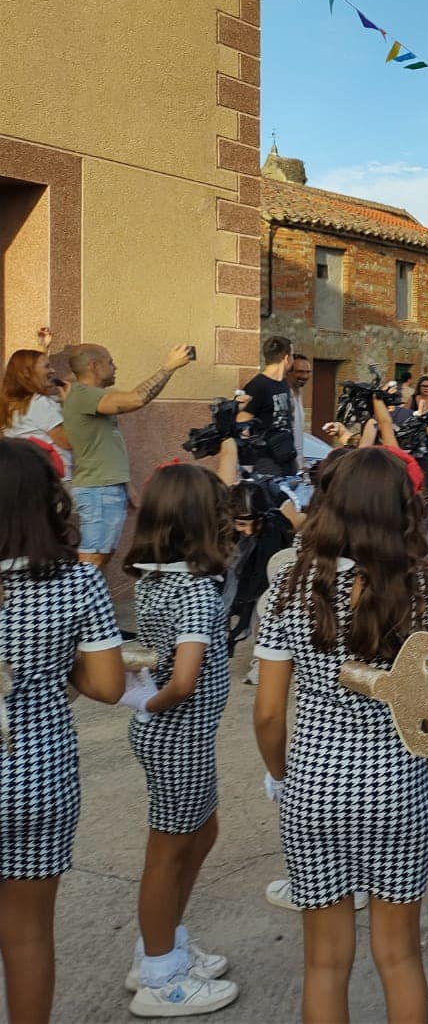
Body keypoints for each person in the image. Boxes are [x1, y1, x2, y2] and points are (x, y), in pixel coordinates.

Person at [253, 447, 428, 1024]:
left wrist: (279, 776)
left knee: (323, 962)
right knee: (399, 956)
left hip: (312, 789)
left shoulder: (294, 584)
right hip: (397, 786)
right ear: (401, 509)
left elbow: (268, 712)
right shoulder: (422, 588)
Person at [0, 438, 126, 1024]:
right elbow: (107, 685)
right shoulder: (77, 583)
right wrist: (50, 670)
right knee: (27, 936)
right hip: (38, 775)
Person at [120, 464, 239, 1016]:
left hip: (177, 737)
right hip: (179, 737)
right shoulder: (193, 590)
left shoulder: (156, 578)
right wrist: (149, 703)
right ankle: (160, 975)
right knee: (168, 853)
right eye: (220, 516)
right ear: (199, 524)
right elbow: (184, 679)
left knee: (199, 832)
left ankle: (161, 943)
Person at [62, 342, 195, 568]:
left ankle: (93, 603)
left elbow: (103, 446)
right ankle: (80, 603)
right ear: (94, 365)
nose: (116, 367)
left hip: (106, 489)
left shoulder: (91, 396)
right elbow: (136, 399)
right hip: (98, 492)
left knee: (99, 560)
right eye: (110, 362)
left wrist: (126, 485)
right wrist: (168, 367)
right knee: (91, 562)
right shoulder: (84, 395)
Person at [2, 346, 73, 476]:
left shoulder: (11, 404)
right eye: (47, 366)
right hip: (53, 479)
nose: (53, 370)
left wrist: (44, 345)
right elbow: (67, 442)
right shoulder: (39, 403)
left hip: (25, 475)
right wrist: (70, 407)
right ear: (28, 373)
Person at [237, 335, 299, 478]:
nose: (293, 360)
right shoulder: (257, 386)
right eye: (293, 356)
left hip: (287, 460)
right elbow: (242, 424)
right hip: (265, 463)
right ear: (286, 358)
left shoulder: (284, 384)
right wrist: (246, 465)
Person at [288, 354, 312, 471]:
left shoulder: (300, 395)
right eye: (300, 372)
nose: (305, 376)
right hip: (285, 464)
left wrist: (302, 461)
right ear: (289, 371)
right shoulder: (285, 395)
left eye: (308, 372)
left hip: (297, 465)